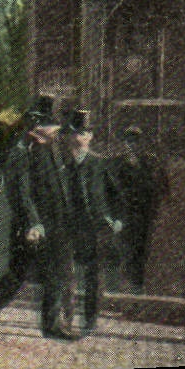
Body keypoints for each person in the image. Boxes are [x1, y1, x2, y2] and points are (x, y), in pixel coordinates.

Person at [0, 96, 77, 339]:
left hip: (54, 224)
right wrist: (33, 223)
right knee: (18, 276)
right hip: (34, 226)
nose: (55, 131)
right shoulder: (22, 151)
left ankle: (50, 325)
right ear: (38, 126)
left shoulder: (49, 148)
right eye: (52, 127)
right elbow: (22, 191)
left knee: (51, 274)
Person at [60, 110, 120, 337]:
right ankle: (66, 315)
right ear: (68, 137)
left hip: (95, 227)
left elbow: (116, 195)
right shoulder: (62, 166)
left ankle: (90, 319)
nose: (78, 138)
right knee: (67, 273)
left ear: (90, 137)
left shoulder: (100, 164)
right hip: (69, 226)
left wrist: (116, 219)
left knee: (94, 275)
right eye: (75, 134)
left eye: (83, 134)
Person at [106, 126, 167, 292]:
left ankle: (136, 284)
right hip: (122, 212)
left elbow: (161, 186)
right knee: (119, 247)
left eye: (136, 141)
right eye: (129, 141)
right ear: (124, 143)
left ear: (142, 143)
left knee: (139, 248)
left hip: (142, 213)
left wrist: (154, 207)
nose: (132, 145)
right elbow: (109, 189)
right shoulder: (116, 162)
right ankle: (113, 285)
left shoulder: (150, 161)